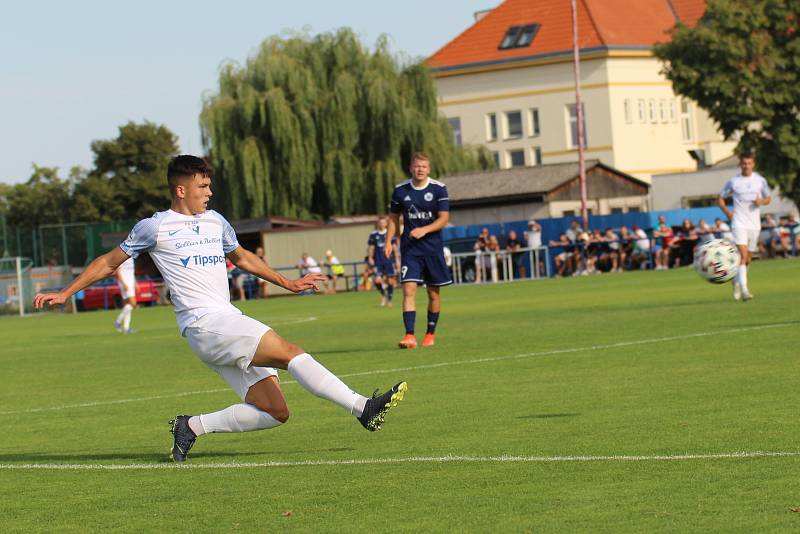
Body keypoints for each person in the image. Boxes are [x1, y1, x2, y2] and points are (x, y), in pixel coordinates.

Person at [33, 155, 407, 463]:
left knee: (275, 412)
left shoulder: (216, 222)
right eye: (202, 186)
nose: (210, 192)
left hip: (226, 322)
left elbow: (243, 258)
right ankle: (362, 407)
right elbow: (108, 262)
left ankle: (192, 426)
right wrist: (66, 292)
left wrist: (288, 283)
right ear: (181, 190)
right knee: (291, 352)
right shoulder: (155, 227)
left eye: (209, 186)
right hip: (204, 325)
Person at [386, 152, 451, 348]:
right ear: (411, 168)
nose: (420, 169)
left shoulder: (439, 189)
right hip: (410, 250)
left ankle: (430, 333)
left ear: (429, 169)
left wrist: (424, 230)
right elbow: (393, 217)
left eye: (424, 166)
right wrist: (389, 240)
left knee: (433, 294)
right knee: (409, 289)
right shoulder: (400, 190)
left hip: (432, 248)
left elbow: (443, 219)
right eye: (417, 166)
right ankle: (409, 335)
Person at [718, 152, 771, 301]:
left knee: (747, 258)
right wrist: (728, 212)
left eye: (749, 163)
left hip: (754, 224)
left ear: (753, 164)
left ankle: (736, 281)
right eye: (744, 163)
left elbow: (768, 198)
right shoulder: (733, 181)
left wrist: (762, 201)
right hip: (739, 222)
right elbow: (720, 198)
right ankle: (745, 290)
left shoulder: (760, 180)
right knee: (742, 254)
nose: (746, 166)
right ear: (740, 164)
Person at [367, 216, 399, 306]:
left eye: (383, 222)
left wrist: (397, 260)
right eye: (380, 222)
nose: (382, 224)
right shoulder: (373, 235)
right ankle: (383, 294)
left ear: (386, 224)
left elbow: (395, 248)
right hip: (378, 261)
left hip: (389, 260)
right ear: (378, 223)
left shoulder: (390, 233)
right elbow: (371, 247)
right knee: (377, 281)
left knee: (390, 281)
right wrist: (370, 257)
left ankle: (389, 298)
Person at [114, 256, 137, 334]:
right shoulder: (121, 256)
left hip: (130, 282)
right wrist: (123, 284)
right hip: (125, 283)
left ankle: (126, 328)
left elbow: (131, 272)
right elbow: (118, 271)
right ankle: (118, 321)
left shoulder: (132, 257)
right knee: (133, 304)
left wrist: (135, 282)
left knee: (128, 305)